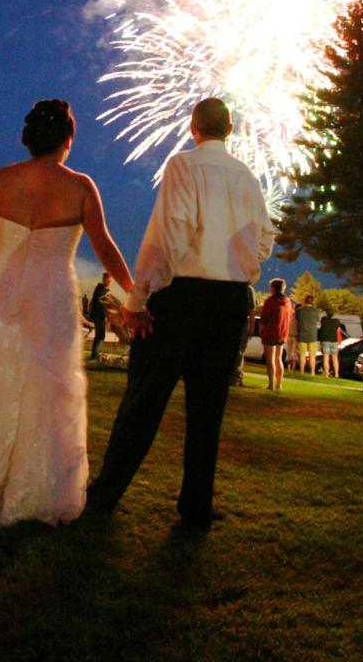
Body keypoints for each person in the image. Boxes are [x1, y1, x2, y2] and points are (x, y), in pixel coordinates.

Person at [0, 99, 134, 528]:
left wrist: (2, 233)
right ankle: (36, 487)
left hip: (1, 287)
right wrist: (135, 294)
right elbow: (105, 247)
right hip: (50, 295)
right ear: (68, 140)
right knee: (47, 383)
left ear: (27, 138)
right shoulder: (81, 186)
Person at [87, 98, 275, 531]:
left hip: (182, 298)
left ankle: (105, 496)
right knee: (208, 410)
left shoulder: (183, 166)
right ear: (230, 130)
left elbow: (171, 235)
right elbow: (264, 239)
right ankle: (196, 507)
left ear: (193, 128)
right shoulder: (247, 176)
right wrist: (240, 263)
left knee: (144, 402)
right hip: (231, 302)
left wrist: (138, 301)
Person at [259, 278, 291, 391]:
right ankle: (279, 385)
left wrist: (261, 331)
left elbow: (264, 318)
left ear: (273, 288)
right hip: (282, 333)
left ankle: (271, 385)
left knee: (270, 360)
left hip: (270, 332)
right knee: (278, 359)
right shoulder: (287, 302)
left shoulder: (270, 301)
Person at [88, 271, 113, 360]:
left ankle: (95, 354)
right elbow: (101, 305)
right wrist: (105, 316)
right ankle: (94, 354)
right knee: (100, 335)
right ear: (105, 280)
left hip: (98, 315)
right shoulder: (101, 289)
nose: (111, 281)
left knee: (100, 335)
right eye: (109, 279)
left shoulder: (101, 289)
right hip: (99, 316)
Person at [295, 295, 321, 375]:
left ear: (305, 301)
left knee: (302, 356)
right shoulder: (316, 311)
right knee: (312, 356)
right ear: (312, 302)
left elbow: (297, 320)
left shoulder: (299, 311)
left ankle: (302, 372)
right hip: (313, 336)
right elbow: (316, 320)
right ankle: (312, 372)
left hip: (302, 335)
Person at [319, 310, 342, 379]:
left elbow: (322, 318)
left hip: (325, 341)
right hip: (334, 341)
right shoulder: (337, 321)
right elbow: (338, 331)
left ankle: (326, 374)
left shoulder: (324, 320)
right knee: (335, 359)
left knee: (326, 358)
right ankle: (336, 374)